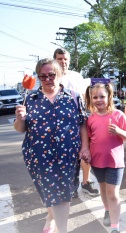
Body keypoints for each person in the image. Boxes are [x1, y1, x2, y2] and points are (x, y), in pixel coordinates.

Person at [14, 58, 89, 233]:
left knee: (64, 193)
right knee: (51, 193)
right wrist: (20, 119)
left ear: (60, 74)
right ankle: (56, 223)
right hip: (39, 156)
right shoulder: (30, 99)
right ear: (38, 78)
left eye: (52, 75)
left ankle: (55, 222)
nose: (48, 79)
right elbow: (20, 129)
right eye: (43, 76)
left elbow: (82, 123)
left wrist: (85, 147)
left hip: (68, 154)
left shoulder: (73, 97)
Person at [85, 82, 126, 233]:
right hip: (97, 161)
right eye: (95, 97)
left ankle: (115, 227)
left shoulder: (118, 114)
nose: (99, 100)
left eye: (102, 96)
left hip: (115, 162)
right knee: (104, 190)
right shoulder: (90, 119)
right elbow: (89, 139)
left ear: (109, 96)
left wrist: (119, 131)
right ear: (91, 99)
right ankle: (107, 210)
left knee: (113, 193)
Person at [53, 48, 99, 197]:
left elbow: (87, 96)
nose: (63, 62)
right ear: (55, 60)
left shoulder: (77, 76)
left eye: (65, 59)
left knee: (87, 151)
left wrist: (93, 113)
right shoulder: (52, 77)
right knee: (65, 156)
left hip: (81, 120)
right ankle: (69, 186)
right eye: (60, 59)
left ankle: (86, 182)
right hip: (61, 124)